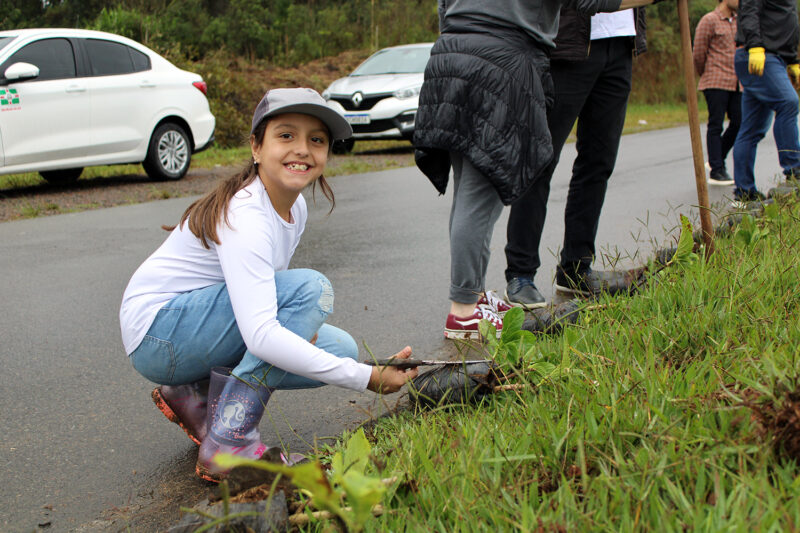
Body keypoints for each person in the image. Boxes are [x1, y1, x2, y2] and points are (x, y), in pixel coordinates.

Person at [119, 88, 418, 483]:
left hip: (188, 331)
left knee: (341, 349)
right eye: (286, 136)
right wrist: (366, 379)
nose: (303, 149)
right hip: (160, 334)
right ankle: (230, 441)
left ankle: (192, 394)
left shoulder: (295, 207)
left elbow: (263, 305)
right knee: (313, 289)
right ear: (256, 147)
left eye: (317, 139)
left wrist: (333, 356)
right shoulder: (246, 214)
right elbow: (262, 334)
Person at [415, 0, 658, 339]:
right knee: (478, 199)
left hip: (453, 53)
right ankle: (464, 313)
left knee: (467, 192)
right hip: (499, 62)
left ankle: (474, 297)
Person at [502, 4, 651, 307]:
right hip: (569, 44)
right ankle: (520, 272)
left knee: (599, 162)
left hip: (621, 44)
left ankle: (576, 268)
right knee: (540, 159)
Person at [731, 0, 800, 205]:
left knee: (752, 128)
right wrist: (755, 46)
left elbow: (785, 20)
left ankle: (745, 191)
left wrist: (793, 59)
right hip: (759, 54)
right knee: (789, 102)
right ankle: (794, 169)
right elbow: (749, 10)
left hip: (774, 57)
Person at [693, 0, 741, 186]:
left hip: (737, 82)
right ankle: (717, 170)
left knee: (739, 122)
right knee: (716, 123)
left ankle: (716, 157)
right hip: (715, 80)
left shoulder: (740, 22)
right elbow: (698, 53)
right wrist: (706, 73)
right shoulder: (709, 20)